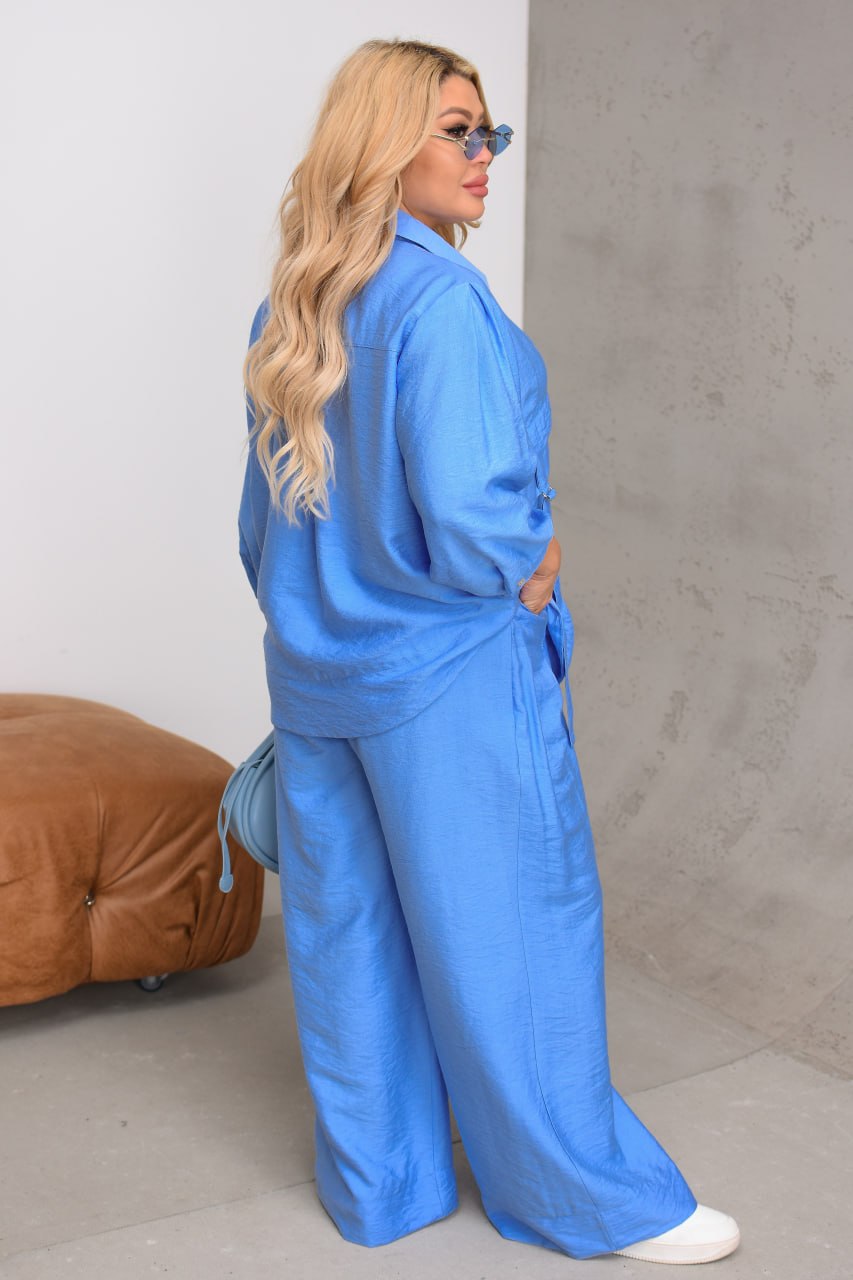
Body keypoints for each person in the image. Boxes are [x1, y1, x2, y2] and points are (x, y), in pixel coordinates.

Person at [237, 37, 740, 1266]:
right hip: (447, 677)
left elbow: (262, 528)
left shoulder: (296, 302)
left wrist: (324, 614)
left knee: (350, 940)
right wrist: (533, 556)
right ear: (383, 141)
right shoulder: (440, 300)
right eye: (456, 130)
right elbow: (472, 517)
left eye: (489, 132)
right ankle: (592, 1198)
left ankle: (383, 1188)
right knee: (513, 932)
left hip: (319, 676)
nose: (483, 156)